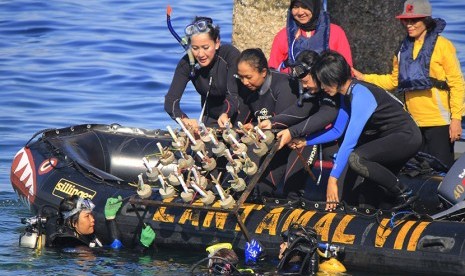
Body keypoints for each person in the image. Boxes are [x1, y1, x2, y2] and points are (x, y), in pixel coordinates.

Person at [352, 0, 465, 169]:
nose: (409, 25)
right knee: (415, 170)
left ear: (426, 20)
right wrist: (364, 77)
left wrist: (456, 119)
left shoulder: (443, 46)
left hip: (439, 122)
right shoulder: (402, 48)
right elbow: (393, 81)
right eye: (406, 20)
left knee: (441, 170)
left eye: (414, 20)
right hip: (412, 123)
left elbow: (457, 84)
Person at [314, 51, 422, 211]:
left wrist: (332, 180)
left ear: (335, 78)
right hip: (388, 140)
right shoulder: (346, 95)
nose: (322, 87)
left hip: (405, 137)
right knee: (366, 200)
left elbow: (350, 141)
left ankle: (405, 193)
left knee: (357, 159)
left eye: (324, 82)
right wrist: (305, 141)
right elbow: (337, 130)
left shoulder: (360, 94)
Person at [164, 16, 240, 130]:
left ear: (217, 43)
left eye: (205, 47)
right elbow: (170, 101)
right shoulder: (187, 63)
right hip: (210, 119)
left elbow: (234, 95)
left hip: (238, 115)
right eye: (195, 48)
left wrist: (226, 114)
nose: (201, 54)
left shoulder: (230, 55)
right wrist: (184, 120)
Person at [39, 195, 155, 250]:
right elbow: (116, 256)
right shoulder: (70, 243)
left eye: (91, 215)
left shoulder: (59, 224)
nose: (92, 219)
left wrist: (110, 217)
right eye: (87, 216)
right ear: (72, 223)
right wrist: (142, 246)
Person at [268, 0, 352, 72]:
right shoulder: (283, 36)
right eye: (296, 7)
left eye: (305, 6)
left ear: (314, 6)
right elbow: (274, 70)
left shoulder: (336, 32)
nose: (300, 12)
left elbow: (347, 68)